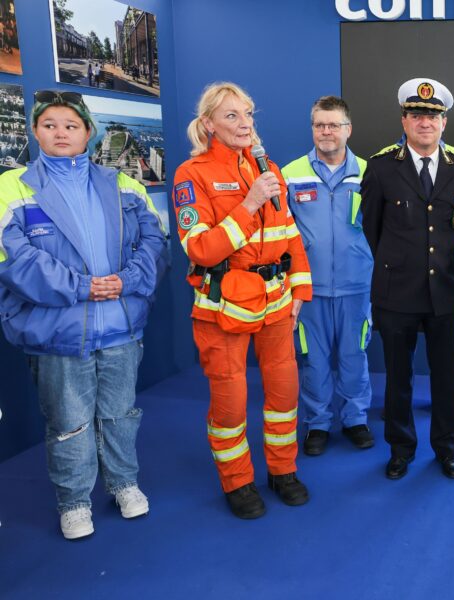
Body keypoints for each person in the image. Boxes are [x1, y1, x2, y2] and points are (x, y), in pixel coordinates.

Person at [0, 90, 167, 539]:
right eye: (50, 124)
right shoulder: (10, 187)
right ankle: (73, 503)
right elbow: (13, 258)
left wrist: (128, 280)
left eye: (71, 126)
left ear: (88, 134)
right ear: (36, 132)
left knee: (120, 413)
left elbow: (155, 243)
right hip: (57, 332)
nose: (60, 133)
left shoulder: (124, 185)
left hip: (119, 327)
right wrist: (82, 286)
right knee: (69, 422)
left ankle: (124, 483)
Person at [173, 82, 312, 519]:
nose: (244, 123)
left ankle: (283, 470)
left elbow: (289, 235)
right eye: (232, 115)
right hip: (222, 307)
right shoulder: (190, 174)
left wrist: (300, 289)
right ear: (209, 123)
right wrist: (249, 203)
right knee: (231, 402)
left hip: (274, 303)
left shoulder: (267, 166)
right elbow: (202, 251)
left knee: (284, 391)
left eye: (248, 114)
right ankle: (237, 481)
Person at [361, 78, 454, 481]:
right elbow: (372, 230)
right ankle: (401, 448)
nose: (424, 122)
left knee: (446, 378)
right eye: (416, 115)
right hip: (396, 292)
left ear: (444, 123)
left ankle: (447, 449)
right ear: (404, 120)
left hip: (444, 290)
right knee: (398, 378)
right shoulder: (380, 167)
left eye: (432, 116)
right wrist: (398, 263)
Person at [281, 96, 375, 456]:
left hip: (357, 285)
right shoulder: (290, 175)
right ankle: (317, 423)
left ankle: (355, 419)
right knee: (313, 359)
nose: (326, 131)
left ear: (348, 129)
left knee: (355, 355)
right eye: (319, 124)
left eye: (333, 124)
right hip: (309, 288)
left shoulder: (370, 174)